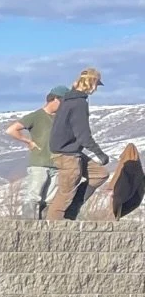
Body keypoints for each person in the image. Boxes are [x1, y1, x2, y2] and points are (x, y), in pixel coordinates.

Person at [46, 68, 108, 222]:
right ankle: (52, 227)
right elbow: (83, 135)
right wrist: (100, 154)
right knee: (65, 194)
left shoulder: (68, 99)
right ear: (92, 84)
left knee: (100, 174)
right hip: (68, 155)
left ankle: (73, 209)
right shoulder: (78, 103)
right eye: (96, 85)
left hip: (68, 151)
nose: (96, 89)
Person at [7, 88, 65, 218]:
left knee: (50, 199)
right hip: (39, 163)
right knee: (33, 196)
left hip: (56, 164)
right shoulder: (36, 116)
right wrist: (28, 141)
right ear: (55, 99)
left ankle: (45, 225)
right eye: (63, 101)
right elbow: (12, 130)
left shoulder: (60, 118)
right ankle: (29, 225)